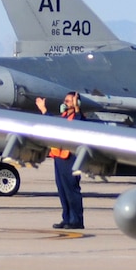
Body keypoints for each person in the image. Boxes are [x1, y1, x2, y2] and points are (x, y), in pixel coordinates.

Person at [49, 91, 84, 230]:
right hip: (59, 158)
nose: (65, 103)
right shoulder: (63, 117)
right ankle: (67, 218)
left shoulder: (78, 118)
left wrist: (76, 108)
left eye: (69, 101)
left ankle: (77, 220)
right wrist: (44, 111)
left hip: (71, 158)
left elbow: (79, 123)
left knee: (71, 190)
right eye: (65, 101)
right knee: (62, 190)